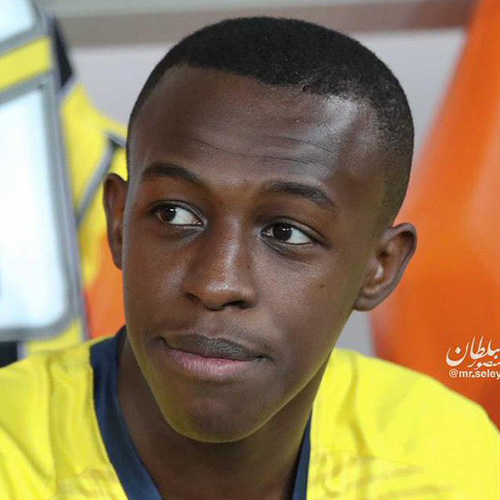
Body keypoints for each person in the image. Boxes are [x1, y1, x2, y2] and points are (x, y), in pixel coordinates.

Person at [0, 17, 498, 500]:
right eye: (173, 214)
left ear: (380, 267)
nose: (216, 284)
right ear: (118, 223)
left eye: (287, 232)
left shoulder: (449, 459)